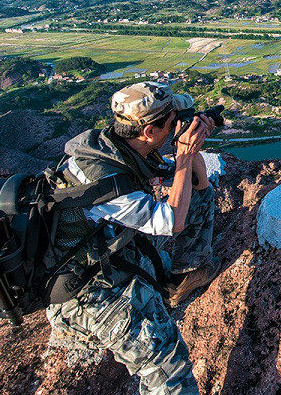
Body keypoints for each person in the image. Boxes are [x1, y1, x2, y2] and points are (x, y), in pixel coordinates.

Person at [46, 81, 221, 394]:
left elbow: (197, 184)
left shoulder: (120, 147)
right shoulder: (104, 179)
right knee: (168, 363)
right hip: (86, 288)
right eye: (172, 121)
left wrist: (190, 147)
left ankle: (184, 276)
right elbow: (172, 222)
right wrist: (184, 154)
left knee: (200, 199)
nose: (177, 124)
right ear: (149, 131)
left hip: (113, 251)